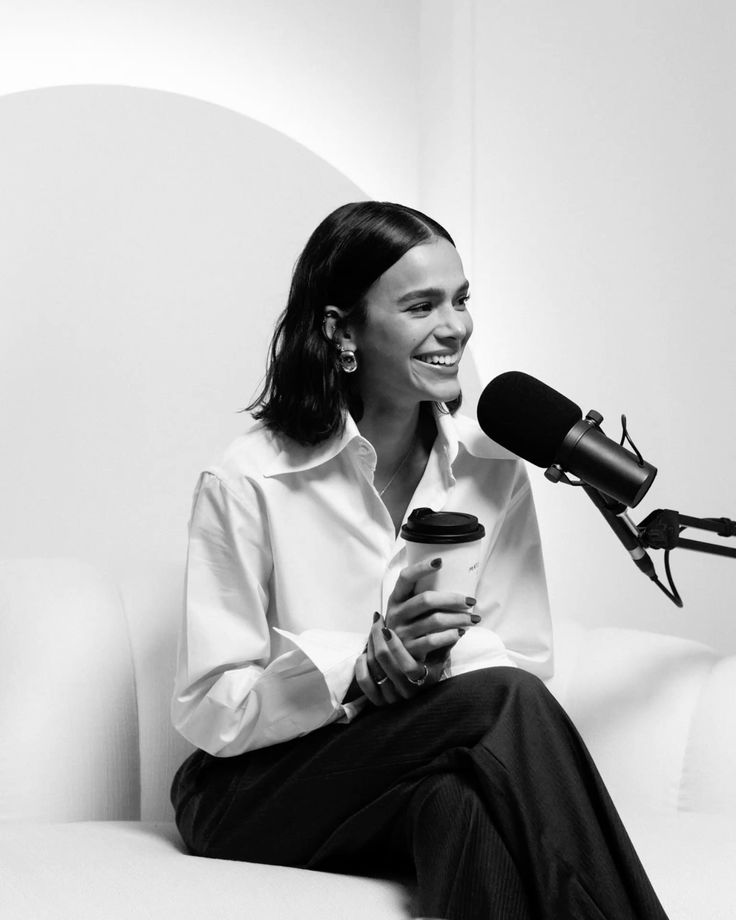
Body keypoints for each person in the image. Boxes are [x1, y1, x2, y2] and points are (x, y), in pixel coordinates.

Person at [170, 201, 669, 920]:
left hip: (420, 768)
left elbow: (521, 655)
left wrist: (433, 669)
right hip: (253, 791)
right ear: (342, 329)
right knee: (503, 700)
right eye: (421, 305)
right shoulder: (249, 479)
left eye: (461, 300)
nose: (455, 327)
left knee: (459, 805)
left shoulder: (493, 471)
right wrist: (360, 671)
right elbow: (208, 705)